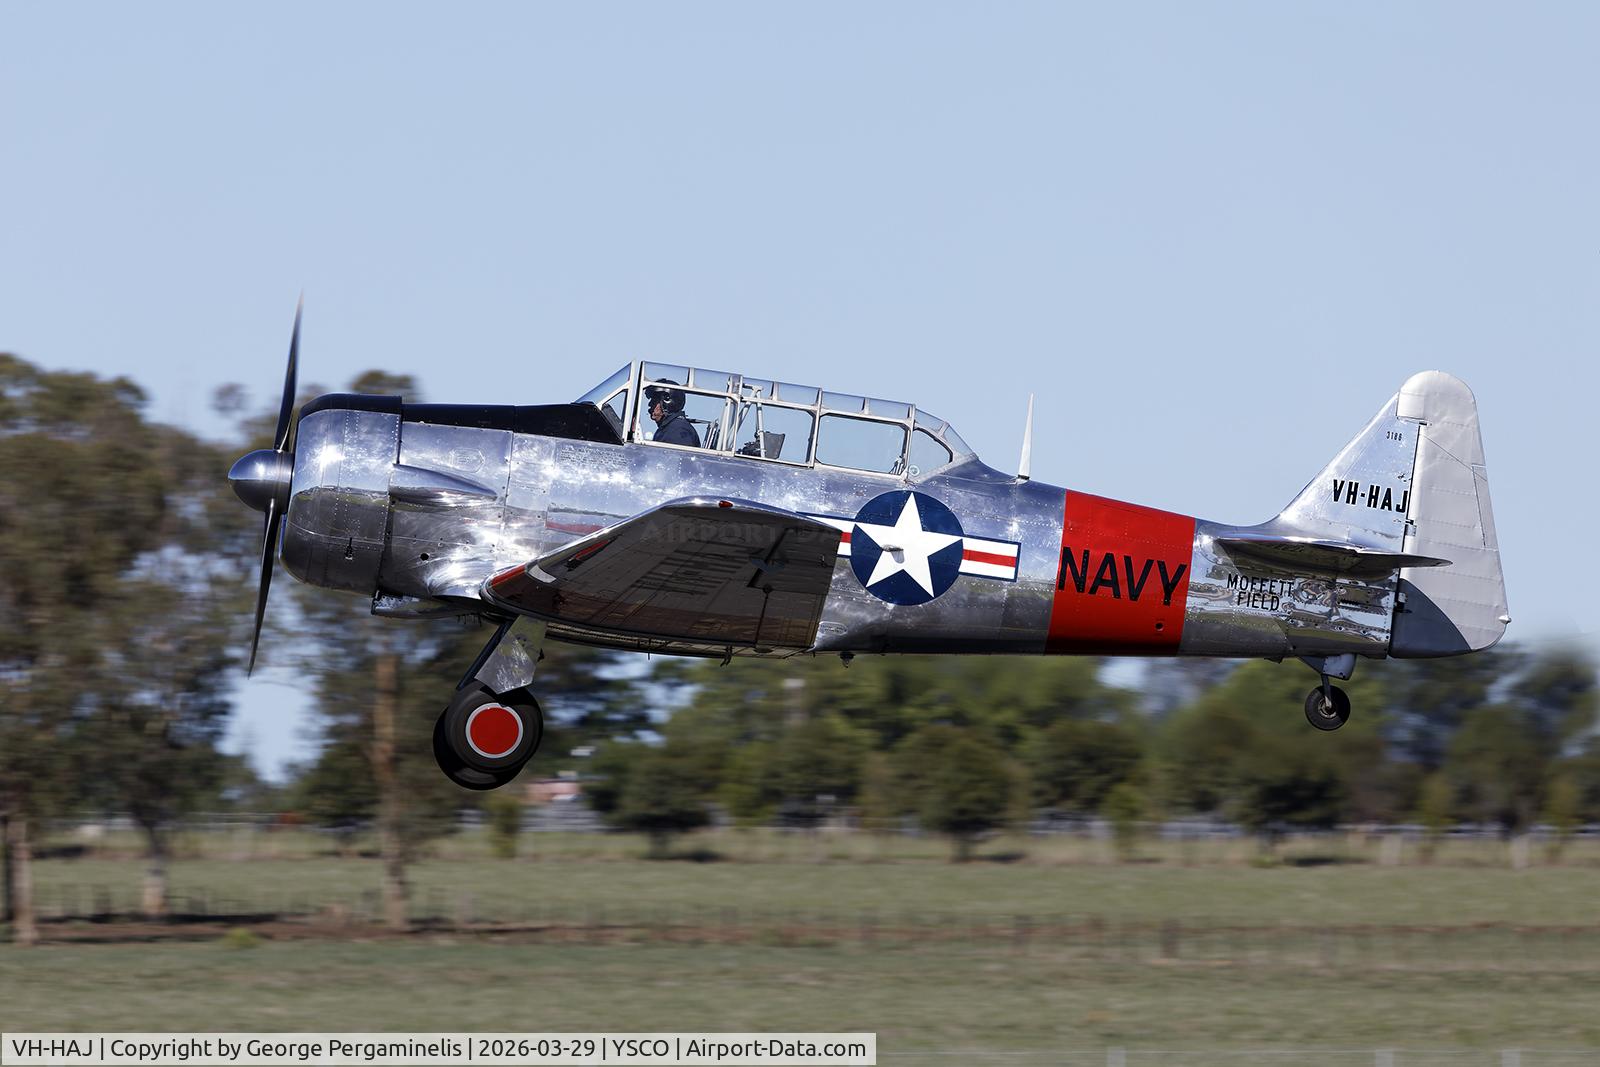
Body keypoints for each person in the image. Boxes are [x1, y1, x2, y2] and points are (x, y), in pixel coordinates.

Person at [644, 381, 701, 447]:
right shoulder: (670, 428)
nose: (649, 404)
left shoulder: (677, 431)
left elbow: (675, 456)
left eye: (654, 400)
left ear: (667, 403)